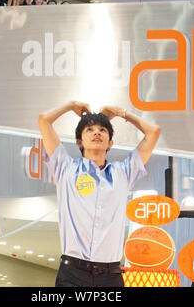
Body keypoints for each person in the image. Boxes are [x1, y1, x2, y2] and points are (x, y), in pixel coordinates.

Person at [38, 101, 160, 287]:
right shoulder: (65, 168)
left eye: (103, 130)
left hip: (110, 277)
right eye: (89, 129)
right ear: (79, 141)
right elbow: (44, 120)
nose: (97, 132)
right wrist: (71, 106)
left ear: (110, 142)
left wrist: (122, 113)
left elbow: (153, 131)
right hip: (72, 274)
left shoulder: (124, 173)